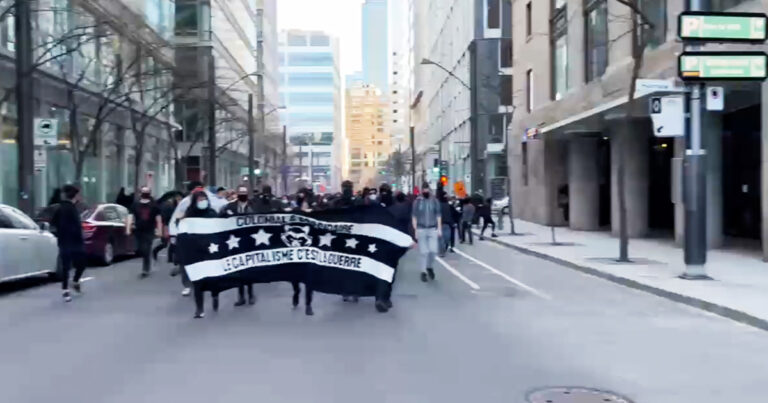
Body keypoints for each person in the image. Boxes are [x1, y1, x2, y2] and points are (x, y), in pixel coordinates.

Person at [183, 191, 219, 318]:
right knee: (197, 281)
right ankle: (199, 308)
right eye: (199, 199)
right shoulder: (189, 214)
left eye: (204, 198)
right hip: (196, 252)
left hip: (211, 250)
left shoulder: (212, 213)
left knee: (213, 279)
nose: (202, 201)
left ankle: (215, 295)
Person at [220, 185, 257, 307]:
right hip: (234, 242)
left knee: (249, 270)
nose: (242, 195)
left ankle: (251, 294)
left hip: (249, 242)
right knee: (238, 270)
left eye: (244, 192)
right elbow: (221, 218)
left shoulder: (253, 206)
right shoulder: (230, 206)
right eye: (240, 193)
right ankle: (241, 296)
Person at [50, 185, 87, 302]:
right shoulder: (72, 208)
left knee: (66, 266)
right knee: (81, 264)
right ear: (75, 196)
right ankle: (74, 281)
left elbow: (53, 224)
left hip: (64, 241)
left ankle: (65, 290)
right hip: (75, 241)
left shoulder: (60, 208)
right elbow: (76, 226)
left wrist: (59, 234)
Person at [126, 186, 162, 278]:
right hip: (138, 230)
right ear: (140, 193)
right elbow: (130, 216)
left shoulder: (154, 205)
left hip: (149, 230)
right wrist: (128, 228)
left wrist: (159, 230)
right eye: (143, 191)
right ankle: (147, 262)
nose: (145, 193)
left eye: (147, 192)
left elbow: (158, 219)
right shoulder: (135, 204)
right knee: (140, 248)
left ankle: (146, 268)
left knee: (147, 248)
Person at [412, 183, 442, 282]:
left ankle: (429, 266)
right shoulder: (417, 202)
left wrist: (439, 228)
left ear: (429, 190)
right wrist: (415, 230)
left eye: (426, 189)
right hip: (421, 228)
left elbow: (438, 215)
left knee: (433, 251)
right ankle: (423, 271)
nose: (425, 191)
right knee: (424, 252)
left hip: (432, 228)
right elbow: (414, 216)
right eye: (424, 190)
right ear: (422, 190)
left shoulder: (434, 201)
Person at [153, 193, 181, 263]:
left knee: (171, 242)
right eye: (178, 199)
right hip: (167, 226)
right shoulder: (169, 206)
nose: (179, 200)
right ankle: (156, 251)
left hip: (169, 226)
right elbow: (168, 217)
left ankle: (171, 258)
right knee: (168, 242)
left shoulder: (169, 205)